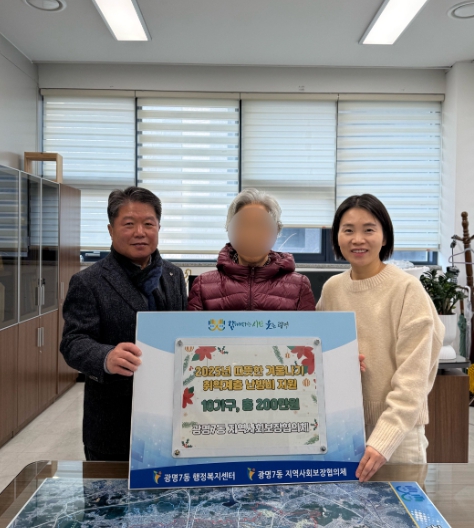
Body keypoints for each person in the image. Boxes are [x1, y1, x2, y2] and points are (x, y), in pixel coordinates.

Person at [316, 194, 444, 482]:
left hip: (398, 436)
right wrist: (338, 363)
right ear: (337, 237)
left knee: (402, 507)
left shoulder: (407, 290)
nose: (357, 239)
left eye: (369, 229)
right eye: (348, 230)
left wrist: (383, 439)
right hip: (342, 430)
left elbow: (413, 380)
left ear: (385, 236)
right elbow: (318, 353)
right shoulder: (332, 289)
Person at [60, 187, 187, 461]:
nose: (140, 232)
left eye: (148, 224)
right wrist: (106, 357)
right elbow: (73, 342)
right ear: (111, 229)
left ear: (158, 227)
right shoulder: (88, 282)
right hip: (114, 420)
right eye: (129, 224)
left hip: (170, 416)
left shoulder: (173, 276)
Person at [188, 188, 315, 311]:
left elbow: (308, 326)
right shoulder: (203, 286)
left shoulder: (299, 286)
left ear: (275, 231)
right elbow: (191, 325)